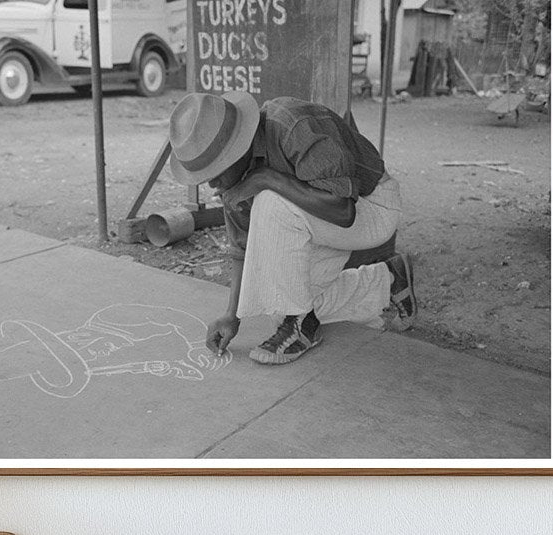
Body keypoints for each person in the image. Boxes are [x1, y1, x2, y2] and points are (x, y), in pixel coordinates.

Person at [168, 91, 416, 364]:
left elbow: (343, 211)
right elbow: (242, 248)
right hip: (319, 221)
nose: (213, 184)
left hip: (372, 206)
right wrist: (232, 316)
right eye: (206, 177)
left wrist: (266, 178)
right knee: (282, 302)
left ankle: (302, 327)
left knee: (272, 203)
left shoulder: (293, 126)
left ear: (238, 147)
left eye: (216, 172)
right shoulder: (232, 177)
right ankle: (388, 280)